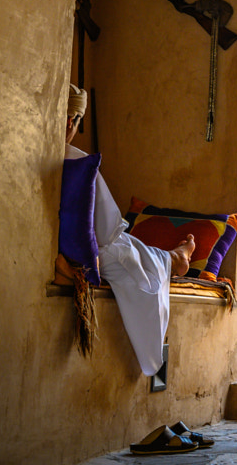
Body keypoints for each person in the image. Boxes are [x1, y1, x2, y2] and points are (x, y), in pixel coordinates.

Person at [62, 84, 194, 376]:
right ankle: (176, 258)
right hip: (101, 252)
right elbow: (107, 228)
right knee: (137, 259)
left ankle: (174, 257)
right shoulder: (75, 159)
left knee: (138, 250)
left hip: (78, 246)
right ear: (71, 122)